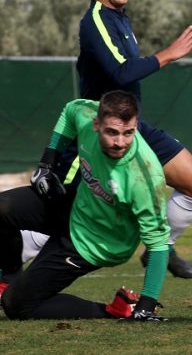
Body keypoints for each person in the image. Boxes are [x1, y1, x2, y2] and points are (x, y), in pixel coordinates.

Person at [52, 0, 192, 278]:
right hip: (100, 135)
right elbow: (122, 72)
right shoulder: (95, 20)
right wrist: (169, 54)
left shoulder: (120, 18)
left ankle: (161, 248)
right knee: (52, 225)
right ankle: (8, 275)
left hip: (132, 129)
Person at [0, 91, 169, 320]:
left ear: (136, 126)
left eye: (128, 133)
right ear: (96, 124)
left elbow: (158, 243)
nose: (120, 142)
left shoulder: (144, 177)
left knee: (15, 306)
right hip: (76, 206)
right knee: (2, 207)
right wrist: (47, 163)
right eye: (112, 132)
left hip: (95, 242)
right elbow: (70, 110)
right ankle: (6, 279)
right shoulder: (87, 114)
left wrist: (146, 305)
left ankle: (116, 309)